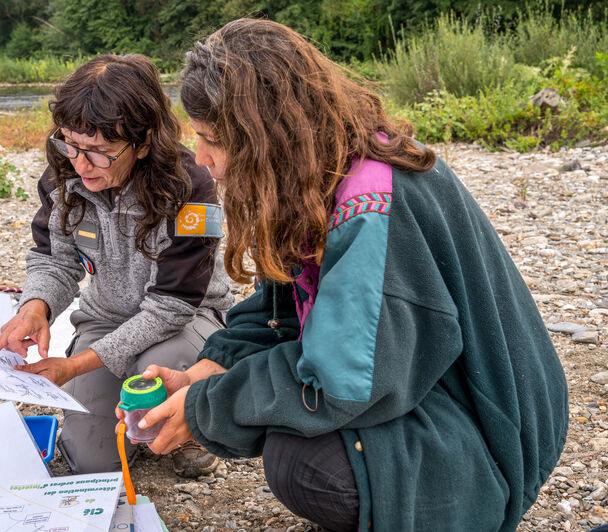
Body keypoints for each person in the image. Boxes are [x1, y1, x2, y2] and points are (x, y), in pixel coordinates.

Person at [124, 19, 569, 531]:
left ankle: (456, 508)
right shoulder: (317, 168)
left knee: (301, 460)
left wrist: (206, 407)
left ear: (263, 138)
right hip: (427, 375)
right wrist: (209, 369)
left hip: (496, 426)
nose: (201, 161)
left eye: (210, 140)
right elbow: (280, 309)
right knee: (283, 415)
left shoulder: (367, 208)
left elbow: (342, 384)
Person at [0, 54, 234, 477]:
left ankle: (193, 423)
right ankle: (139, 427)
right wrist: (35, 306)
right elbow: (53, 258)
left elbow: (172, 306)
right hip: (106, 319)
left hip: (190, 321)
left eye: (98, 153)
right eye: (70, 144)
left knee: (156, 364)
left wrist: (74, 366)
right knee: (91, 461)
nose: (79, 164)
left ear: (144, 141)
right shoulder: (64, 172)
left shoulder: (193, 186)